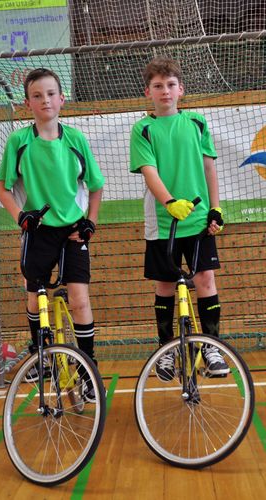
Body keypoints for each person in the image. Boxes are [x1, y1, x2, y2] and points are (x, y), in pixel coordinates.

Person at [0, 68, 105, 401]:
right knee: (35, 294)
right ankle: (39, 353)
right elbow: (1, 186)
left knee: (79, 299)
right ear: (28, 102)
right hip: (38, 231)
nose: (45, 100)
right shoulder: (19, 142)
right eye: (37, 95)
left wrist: (90, 222)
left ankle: (87, 366)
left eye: (50, 94)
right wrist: (20, 216)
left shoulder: (75, 140)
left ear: (61, 99)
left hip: (72, 232)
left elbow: (96, 186)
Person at [130, 57, 229, 381]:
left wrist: (215, 208)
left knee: (205, 281)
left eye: (171, 85)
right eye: (158, 86)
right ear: (148, 91)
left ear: (181, 89)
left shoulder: (197, 123)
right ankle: (166, 349)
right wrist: (169, 202)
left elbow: (209, 167)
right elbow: (149, 171)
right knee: (165, 285)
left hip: (198, 219)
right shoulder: (143, 128)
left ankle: (211, 346)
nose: (165, 91)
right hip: (162, 221)